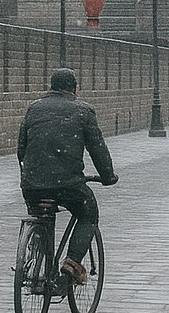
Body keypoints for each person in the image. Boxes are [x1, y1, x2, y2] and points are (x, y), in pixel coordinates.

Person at [17, 67, 118, 285]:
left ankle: (36, 260)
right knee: (88, 212)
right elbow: (97, 148)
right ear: (74, 89)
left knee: (42, 214)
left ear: (51, 87)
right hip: (67, 183)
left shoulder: (34, 108)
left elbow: (21, 149)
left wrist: (29, 174)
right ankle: (72, 263)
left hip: (33, 183)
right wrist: (108, 176)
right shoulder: (83, 111)